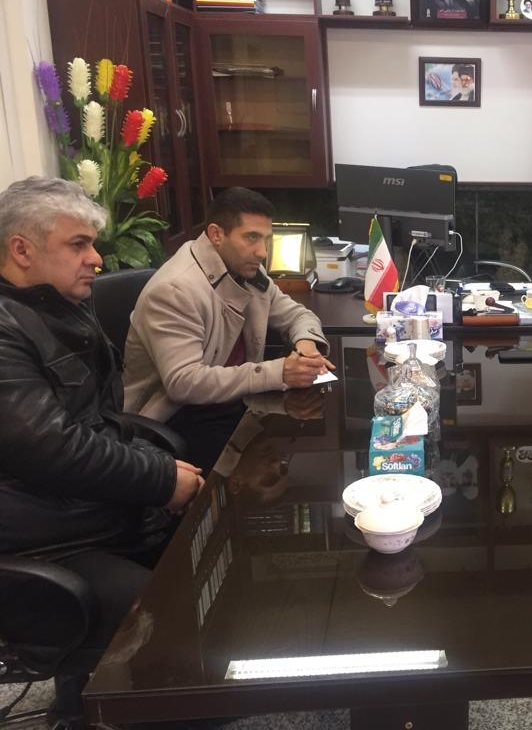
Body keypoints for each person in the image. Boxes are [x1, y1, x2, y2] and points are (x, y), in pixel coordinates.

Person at [0, 177, 202, 670]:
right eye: (78, 244)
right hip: (45, 541)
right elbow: (52, 449)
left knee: (217, 545)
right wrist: (158, 478)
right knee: (175, 618)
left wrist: (157, 467)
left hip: (87, 508)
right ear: (21, 250)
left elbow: (99, 421)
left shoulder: (60, 307)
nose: (96, 259)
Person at [123, 187, 332, 473]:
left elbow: (297, 314)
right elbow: (183, 382)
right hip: (178, 419)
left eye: (266, 239)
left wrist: (305, 344)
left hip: (236, 403)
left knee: (308, 419)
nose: (262, 252)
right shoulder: (175, 290)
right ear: (216, 234)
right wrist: (279, 372)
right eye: (251, 238)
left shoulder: (245, 269)